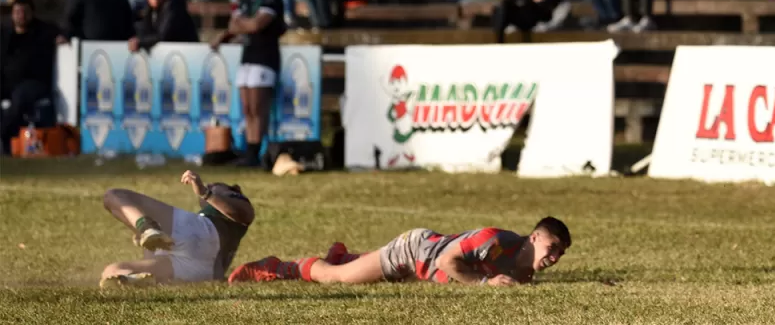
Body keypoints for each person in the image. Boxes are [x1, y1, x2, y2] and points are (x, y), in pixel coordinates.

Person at [228, 216, 569, 287]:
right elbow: (447, 261)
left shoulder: (526, 272)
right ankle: (276, 266)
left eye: (560, 254)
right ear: (534, 236)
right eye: (552, 247)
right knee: (339, 280)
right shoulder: (493, 239)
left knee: (357, 269)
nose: (554, 257)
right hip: (414, 251)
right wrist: (482, 285)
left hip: (420, 263)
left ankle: (343, 255)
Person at [99, 170, 254, 286]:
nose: (210, 185)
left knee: (113, 196)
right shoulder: (211, 221)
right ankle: (131, 279)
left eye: (214, 185)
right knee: (112, 270)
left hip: (201, 237)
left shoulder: (234, 202)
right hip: (202, 271)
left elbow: (244, 213)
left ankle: (146, 228)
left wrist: (206, 193)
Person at [211, 0, 285, 167]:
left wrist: (244, 25)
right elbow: (235, 25)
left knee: (258, 107)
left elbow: (255, 25)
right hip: (248, 55)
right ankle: (249, 152)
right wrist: (243, 26)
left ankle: (255, 151)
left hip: (265, 57)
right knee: (247, 108)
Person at [0, 0, 61, 154]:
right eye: (17, 12)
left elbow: (62, 31)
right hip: (8, 83)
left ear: (32, 13)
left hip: (34, 83)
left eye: (25, 12)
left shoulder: (44, 31)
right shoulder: (5, 35)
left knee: (19, 98)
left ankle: (3, 135)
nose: (21, 15)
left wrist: (62, 37)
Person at [129, 0, 199, 51]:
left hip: (186, 53)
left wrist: (141, 42)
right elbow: (146, 29)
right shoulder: (151, 8)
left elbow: (162, 35)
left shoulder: (173, 6)